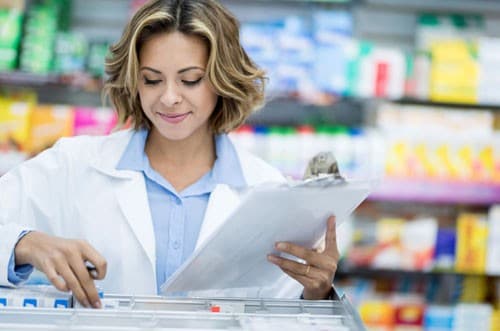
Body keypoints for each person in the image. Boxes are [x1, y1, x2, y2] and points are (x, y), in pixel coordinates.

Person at [0, 0, 339, 309]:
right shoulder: (74, 165)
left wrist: (316, 293)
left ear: (222, 80)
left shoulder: (267, 189)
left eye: (190, 80)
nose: (169, 98)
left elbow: (280, 312)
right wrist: (25, 244)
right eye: (152, 80)